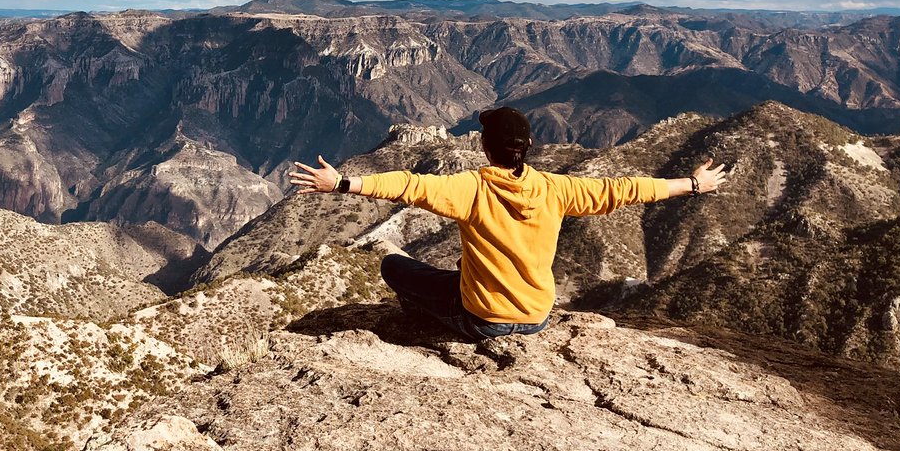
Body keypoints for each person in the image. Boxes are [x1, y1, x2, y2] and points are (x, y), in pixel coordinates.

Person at [289, 106, 727, 342]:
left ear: (484, 147)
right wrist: (692, 183)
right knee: (454, 272)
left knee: (394, 267)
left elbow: (406, 185)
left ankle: (421, 322)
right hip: (536, 316)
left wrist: (342, 182)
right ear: (529, 146)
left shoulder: (471, 188)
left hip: (483, 319)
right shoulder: (557, 189)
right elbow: (625, 189)